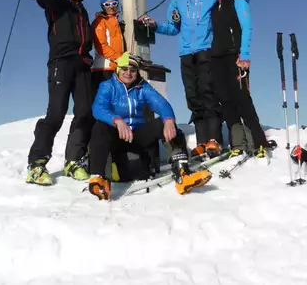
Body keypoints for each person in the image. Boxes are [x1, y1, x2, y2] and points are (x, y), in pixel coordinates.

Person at [139, 0, 244, 159]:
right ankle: (202, 142)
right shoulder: (177, 0)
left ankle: (215, 140)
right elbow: (173, 27)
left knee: (208, 92)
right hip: (186, 53)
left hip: (207, 49)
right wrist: (155, 25)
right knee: (192, 96)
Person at [87, 53, 213, 200]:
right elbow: (98, 108)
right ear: (118, 69)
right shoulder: (107, 86)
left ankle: (183, 174)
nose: (128, 73)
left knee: (166, 124)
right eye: (124, 69)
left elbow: (161, 103)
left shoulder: (142, 87)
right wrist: (117, 120)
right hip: (116, 136)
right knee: (100, 126)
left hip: (137, 135)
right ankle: (99, 179)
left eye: (133, 70)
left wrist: (168, 119)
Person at [25, 0, 94, 185]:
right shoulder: (57, 5)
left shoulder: (84, 13)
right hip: (61, 64)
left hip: (83, 66)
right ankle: (36, 164)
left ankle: (73, 161)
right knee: (56, 113)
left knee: (85, 112)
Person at [208, 0, 276, 158]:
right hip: (216, 57)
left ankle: (258, 142)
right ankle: (237, 142)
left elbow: (247, 27)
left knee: (242, 98)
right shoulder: (212, 5)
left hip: (235, 56)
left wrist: (244, 54)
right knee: (225, 99)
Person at [91, 0, 127, 91]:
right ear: (103, 6)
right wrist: (119, 58)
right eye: (107, 4)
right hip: (103, 69)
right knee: (103, 101)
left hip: (117, 68)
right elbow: (101, 46)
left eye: (114, 3)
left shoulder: (117, 23)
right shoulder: (99, 22)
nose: (111, 6)